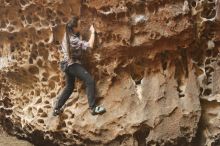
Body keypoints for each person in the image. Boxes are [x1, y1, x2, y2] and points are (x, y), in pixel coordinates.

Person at [53, 16, 106, 116]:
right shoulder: (73, 40)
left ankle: (56, 108)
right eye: (79, 25)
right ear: (74, 27)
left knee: (69, 86)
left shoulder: (67, 35)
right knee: (89, 80)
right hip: (72, 65)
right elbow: (90, 45)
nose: (81, 26)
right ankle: (93, 108)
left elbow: (76, 38)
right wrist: (93, 32)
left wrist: (79, 34)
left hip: (66, 65)